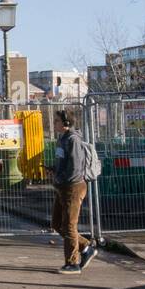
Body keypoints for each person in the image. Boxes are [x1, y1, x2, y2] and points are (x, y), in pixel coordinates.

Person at [52, 109, 97, 274]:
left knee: (69, 225)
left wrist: (61, 178)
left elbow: (75, 169)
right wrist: (54, 170)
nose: (54, 123)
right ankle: (85, 247)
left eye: (57, 121)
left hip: (73, 187)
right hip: (62, 186)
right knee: (57, 224)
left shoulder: (73, 140)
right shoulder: (62, 139)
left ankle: (72, 263)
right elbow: (64, 163)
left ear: (66, 123)